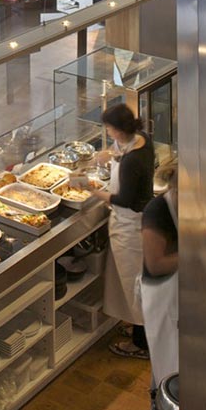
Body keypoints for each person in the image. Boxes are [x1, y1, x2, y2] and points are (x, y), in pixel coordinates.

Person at [87, 102, 154, 359]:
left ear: (116, 129)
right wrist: (106, 155)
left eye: (108, 128)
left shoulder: (131, 161)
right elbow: (121, 153)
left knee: (134, 283)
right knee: (134, 281)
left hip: (130, 225)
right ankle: (140, 330)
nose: (108, 132)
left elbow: (123, 199)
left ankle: (142, 344)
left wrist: (90, 188)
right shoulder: (142, 140)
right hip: (138, 221)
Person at [141, 162, 178, 388]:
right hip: (161, 295)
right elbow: (155, 265)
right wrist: (195, 255)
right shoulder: (157, 212)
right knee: (167, 360)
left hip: (180, 293)